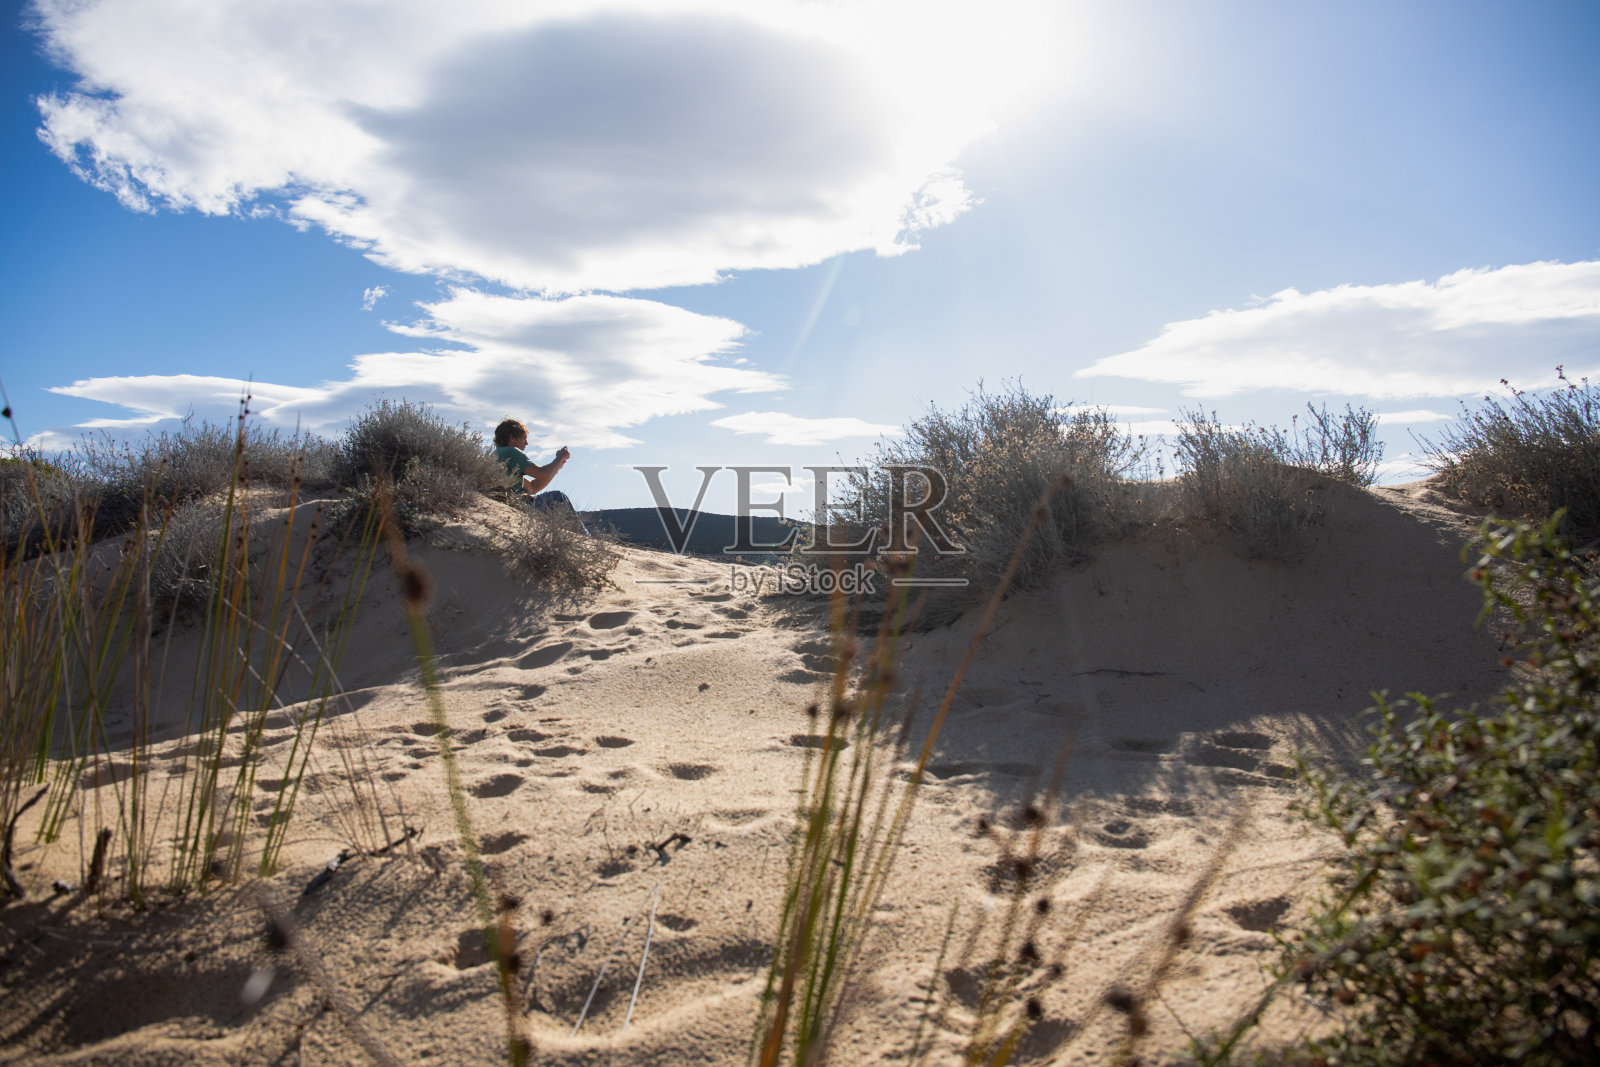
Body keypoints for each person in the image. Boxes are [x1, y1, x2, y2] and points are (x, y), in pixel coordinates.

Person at [493, 418, 576, 514]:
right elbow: (543, 474)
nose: (527, 443)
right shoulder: (511, 452)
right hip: (513, 501)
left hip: (509, 500)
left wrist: (558, 465)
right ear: (512, 438)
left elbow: (533, 487)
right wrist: (560, 457)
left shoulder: (498, 455)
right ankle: (580, 530)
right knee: (558, 497)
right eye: (524, 438)